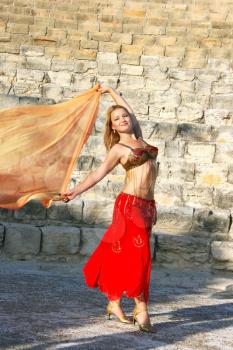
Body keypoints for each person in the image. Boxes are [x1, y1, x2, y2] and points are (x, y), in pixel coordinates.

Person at [62, 85, 158, 333]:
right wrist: (76, 190)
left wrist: (111, 90)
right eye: (117, 119)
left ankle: (114, 303)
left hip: (148, 206)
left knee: (123, 254)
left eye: (124, 116)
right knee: (140, 257)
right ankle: (142, 309)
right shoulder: (118, 149)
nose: (123, 119)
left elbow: (129, 110)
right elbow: (98, 174)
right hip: (129, 206)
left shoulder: (139, 137)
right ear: (113, 127)